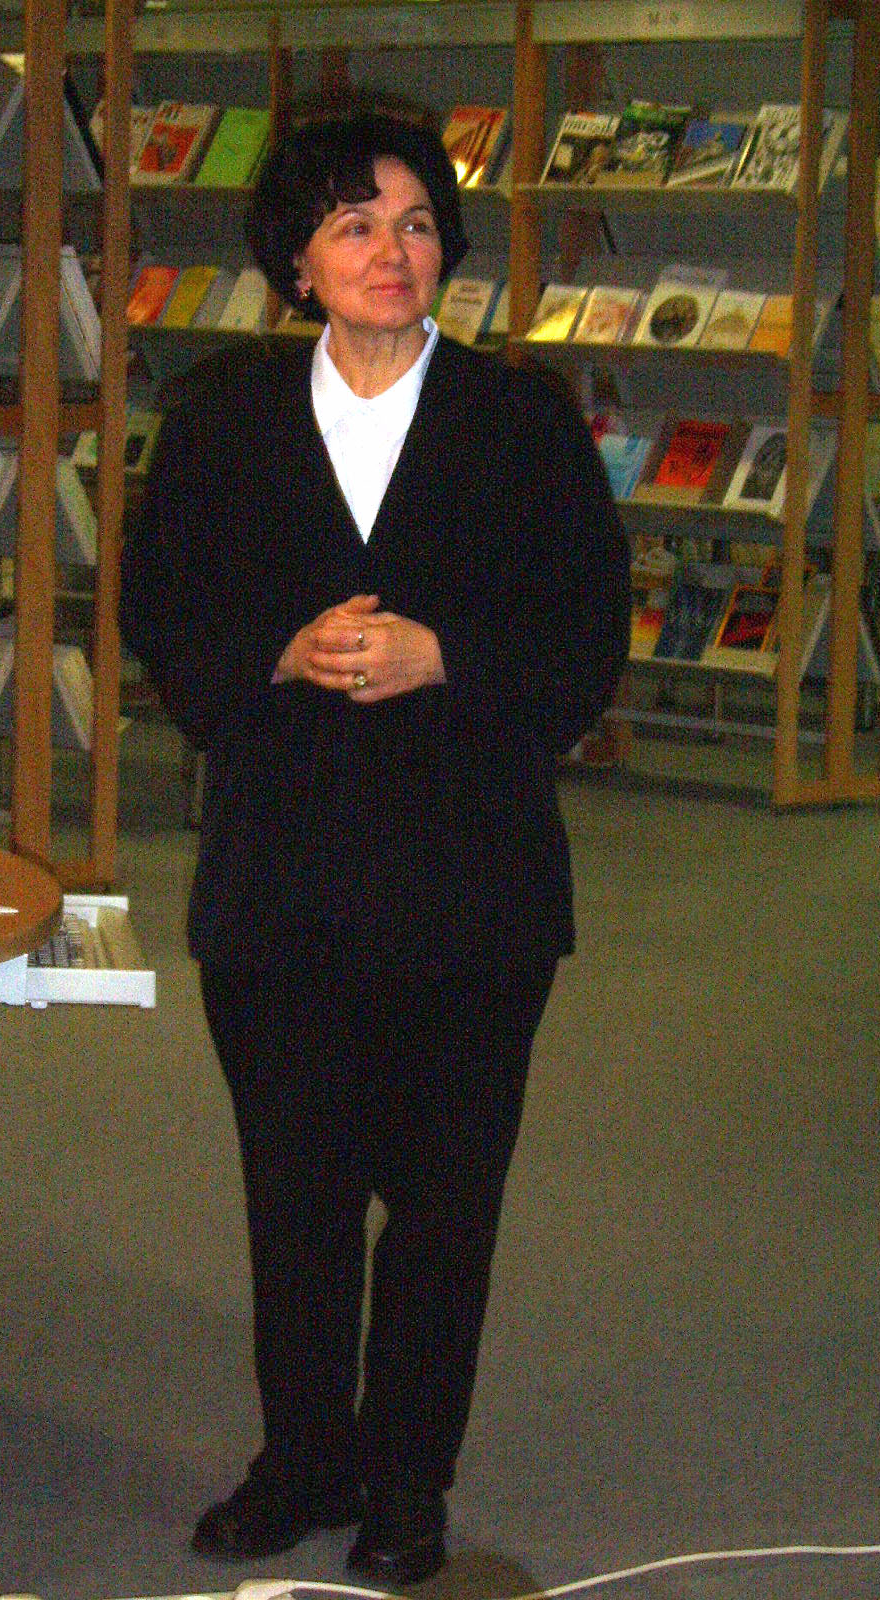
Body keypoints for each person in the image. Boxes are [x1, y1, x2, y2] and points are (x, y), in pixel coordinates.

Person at [120, 104, 631, 1586]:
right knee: (294, 1195)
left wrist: (446, 653)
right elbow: (162, 612)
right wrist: (275, 654)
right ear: (298, 258)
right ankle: (302, 1460)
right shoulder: (220, 416)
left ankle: (410, 1481)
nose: (390, 251)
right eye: (354, 224)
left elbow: (587, 634)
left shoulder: (522, 423)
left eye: (414, 223)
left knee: (443, 1205)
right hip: (277, 882)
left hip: (472, 885)